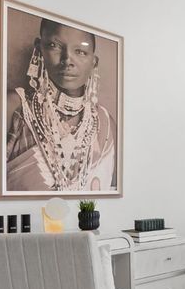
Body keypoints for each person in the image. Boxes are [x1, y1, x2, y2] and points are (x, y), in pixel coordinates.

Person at [6, 18, 115, 192]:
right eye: (54, 46)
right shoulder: (14, 108)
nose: (67, 60)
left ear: (93, 62)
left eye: (80, 51)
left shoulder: (106, 125)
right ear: (39, 49)